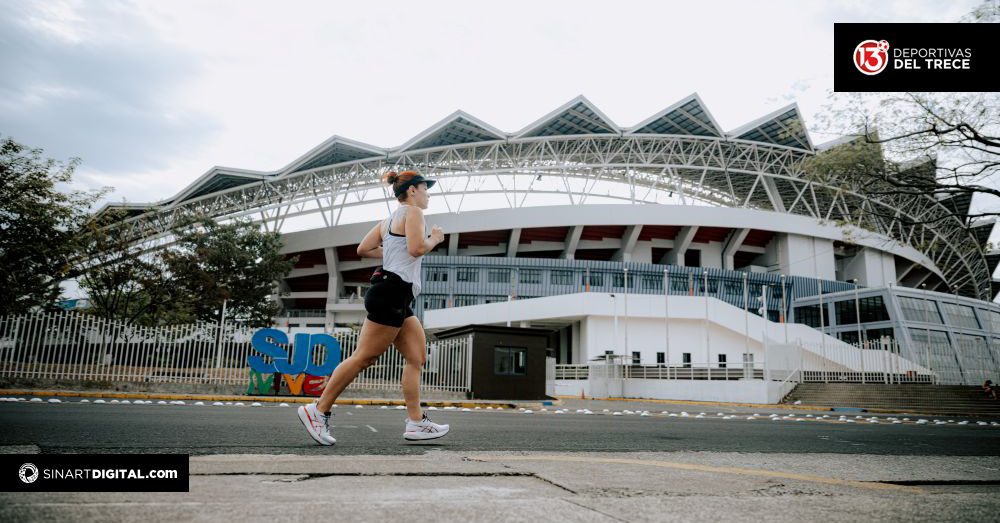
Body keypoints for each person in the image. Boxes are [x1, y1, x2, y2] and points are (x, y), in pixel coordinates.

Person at [297, 170, 450, 445]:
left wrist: (393, 250)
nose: (429, 194)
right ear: (413, 190)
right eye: (426, 189)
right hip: (392, 292)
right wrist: (435, 239)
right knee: (364, 357)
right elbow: (416, 249)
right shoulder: (413, 213)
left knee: (417, 356)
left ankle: (416, 422)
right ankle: (317, 410)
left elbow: (363, 249)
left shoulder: (387, 220)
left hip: (397, 295)